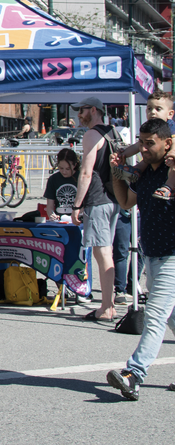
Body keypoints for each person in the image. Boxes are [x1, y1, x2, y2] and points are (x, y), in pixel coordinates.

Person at [106, 118, 175, 401]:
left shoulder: (172, 170)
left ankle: (133, 374)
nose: (143, 149)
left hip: (172, 254)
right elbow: (125, 203)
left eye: (150, 144)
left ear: (167, 144)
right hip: (153, 254)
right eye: (141, 142)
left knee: (155, 315)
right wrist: (115, 173)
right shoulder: (146, 173)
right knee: (171, 317)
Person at [71, 96, 120, 322]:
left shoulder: (92, 135)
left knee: (103, 254)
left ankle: (107, 307)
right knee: (106, 252)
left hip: (98, 199)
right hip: (113, 198)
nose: (78, 115)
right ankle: (108, 304)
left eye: (81, 111)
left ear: (93, 110)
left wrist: (77, 205)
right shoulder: (113, 132)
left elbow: (86, 173)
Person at [44, 148, 79, 221]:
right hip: (59, 220)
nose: (64, 172)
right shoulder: (53, 179)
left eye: (68, 169)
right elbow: (49, 206)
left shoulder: (81, 178)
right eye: (61, 168)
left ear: (75, 165)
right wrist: (51, 214)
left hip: (78, 219)